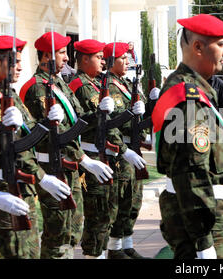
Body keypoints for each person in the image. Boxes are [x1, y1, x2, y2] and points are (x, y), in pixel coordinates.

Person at [153, 13, 223, 259]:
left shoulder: (195, 89)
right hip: (203, 227)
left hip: (209, 220)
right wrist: (204, 244)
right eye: (222, 44)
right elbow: (191, 173)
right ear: (198, 47)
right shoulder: (188, 98)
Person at [20, 31, 113, 258]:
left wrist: (99, 113)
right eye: (62, 53)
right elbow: (54, 135)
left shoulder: (59, 85)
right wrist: (84, 159)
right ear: (46, 56)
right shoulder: (38, 88)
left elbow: (78, 122)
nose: (67, 58)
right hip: (54, 167)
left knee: (73, 230)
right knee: (57, 235)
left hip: (70, 167)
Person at [0, 35, 72, 259]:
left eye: (19, 61)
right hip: (1, 191)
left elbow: (27, 139)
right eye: (14, 61)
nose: (20, 67)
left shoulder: (10, 96)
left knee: (30, 252)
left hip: (21, 189)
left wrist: (47, 124)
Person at [68, 39, 136, 259]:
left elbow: (111, 122)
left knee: (108, 213)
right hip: (90, 155)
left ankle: (104, 253)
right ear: (85, 59)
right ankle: (93, 255)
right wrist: (99, 114)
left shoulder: (97, 83)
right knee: (97, 215)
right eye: (98, 57)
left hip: (106, 155)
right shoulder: (78, 85)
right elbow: (79, 122)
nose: (102, 61)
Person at [102, 42, 148, 259]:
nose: (127, 61)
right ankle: (114, 247)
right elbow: (111, 123)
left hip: (134, 146)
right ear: (111, 61)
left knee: (134, 200)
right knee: (122, 200)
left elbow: (140, 116)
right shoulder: (108, 86)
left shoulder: (126, 84)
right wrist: (123, 150)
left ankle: (127, 244)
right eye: (122, 58)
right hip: (122, 151)